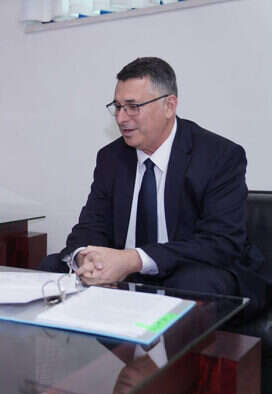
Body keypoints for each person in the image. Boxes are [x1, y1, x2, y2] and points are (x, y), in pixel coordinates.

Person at [42, 57, 269, 318]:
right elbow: (91, 225)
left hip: (192, 268)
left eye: (132, 107)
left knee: (193, 283)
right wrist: (86, 258)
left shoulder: (218, 156)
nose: (121, 118)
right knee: (50, 267)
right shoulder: (111, 157)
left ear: (169, 106)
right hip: (129, 273)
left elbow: (220, 243)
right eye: (117, 107)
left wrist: (134, 259)